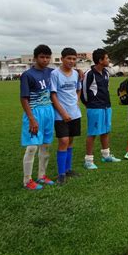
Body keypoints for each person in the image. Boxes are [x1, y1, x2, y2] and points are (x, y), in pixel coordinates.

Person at [20, 44, 56, 190]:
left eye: (48, 57)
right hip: (34, 112)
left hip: (49, 111)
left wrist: (78, 71)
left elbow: (66, 72)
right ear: (35, 58)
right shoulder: (27, 75)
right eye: (42, 57)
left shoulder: (52, 72)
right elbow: (24, 98)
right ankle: (27, 180)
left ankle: (42, 175)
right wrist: (31, 119)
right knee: (32, 147)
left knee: (46, 145)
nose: (45, 60)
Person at [82, 48, 121, 170]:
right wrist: (90, 105)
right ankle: (88, 160)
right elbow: (84, 93)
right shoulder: (89, 73)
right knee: (92, 133)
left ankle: (106, 155)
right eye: (107, 58)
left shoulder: (106, 73)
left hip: (106, 106)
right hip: (94, 108)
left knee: (105, 131)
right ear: (100, 60)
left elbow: (106, 90)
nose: (109, 60)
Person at [50, 47, 82, 185]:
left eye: (74, 59)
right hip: (61, 115)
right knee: (63, 141)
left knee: (70, 141)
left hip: (74, 113)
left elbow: (78, 89)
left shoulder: (76, 74)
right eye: (69, 58)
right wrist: (62, 112)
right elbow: (53, 95)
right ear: (62, 59)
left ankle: (68, 170)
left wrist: (77, 101)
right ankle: (61, 174)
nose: (71, 61)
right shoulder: (55, 74)